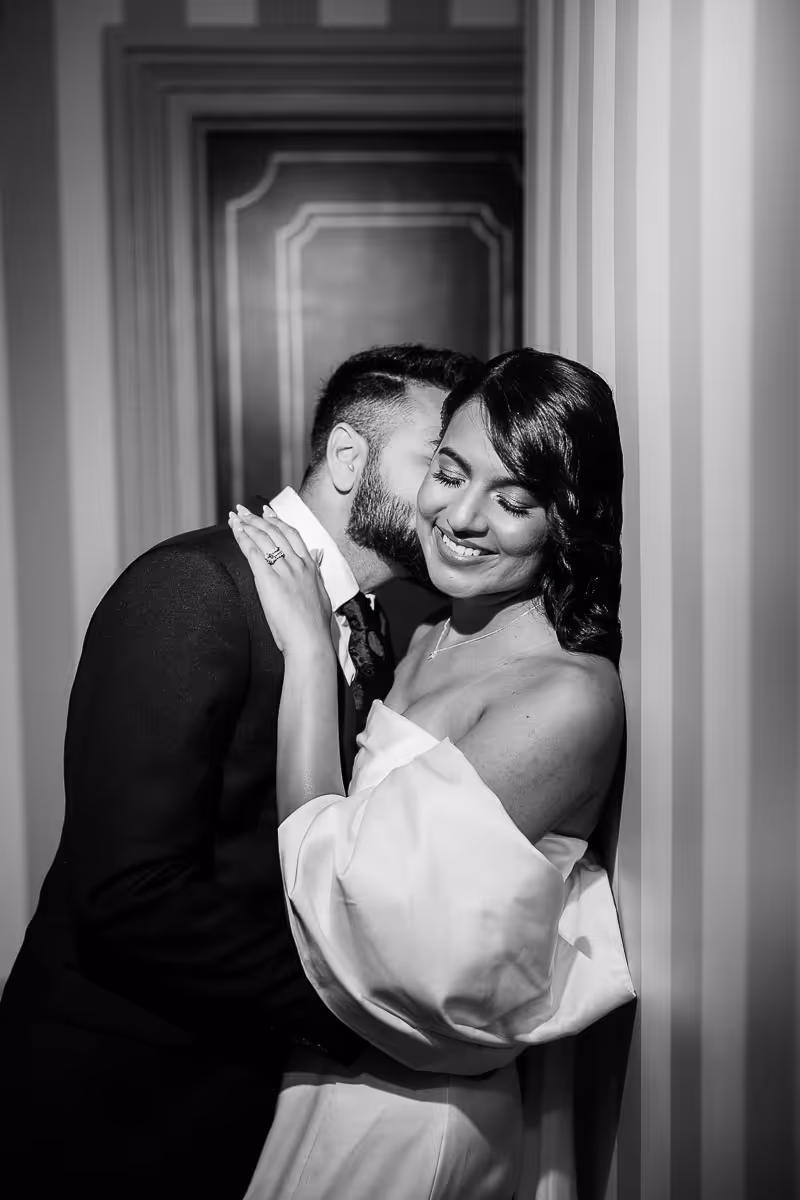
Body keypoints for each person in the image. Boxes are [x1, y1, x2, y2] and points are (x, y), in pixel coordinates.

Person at [0, 344, 480, 1200]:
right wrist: (360, 1007)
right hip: (112, 1103)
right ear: (348, 456)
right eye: (439, 466)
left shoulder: (377, 627)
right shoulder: (193, 587)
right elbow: (128, 894)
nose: (455, 503)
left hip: (243, 1095)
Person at [229, 347, 636, 1200]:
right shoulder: (428, 633)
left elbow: (357, 902)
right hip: (321, 1077)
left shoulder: (565, 696)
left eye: (512, 502)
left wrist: (310, 655)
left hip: (416, 1113)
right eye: (449, 473)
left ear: (568, 521)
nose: (462, 516)